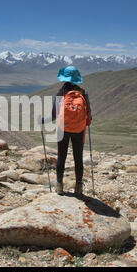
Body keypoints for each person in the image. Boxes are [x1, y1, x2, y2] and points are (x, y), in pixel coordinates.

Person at [39, 66, 92, 196]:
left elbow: (53, 115)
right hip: (79, 130)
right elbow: (89, 115)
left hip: (62, 129)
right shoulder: (83, 93)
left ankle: (59, 186)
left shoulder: (60, 93)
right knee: (78, 158)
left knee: (61, 156)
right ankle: (79, 188)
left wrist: (42, 120)